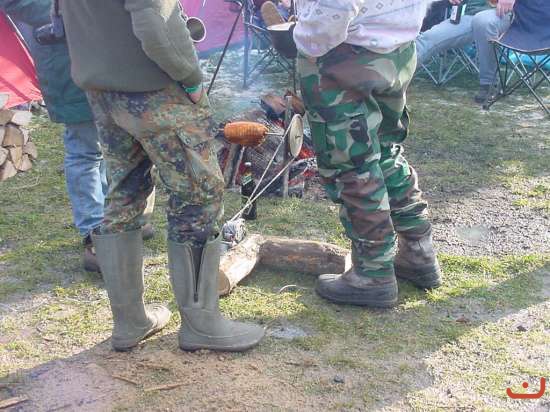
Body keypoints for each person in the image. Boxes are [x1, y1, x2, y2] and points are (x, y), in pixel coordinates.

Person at [59, 0, 264, 352]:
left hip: (101, 89)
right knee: (199, 195)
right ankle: (202, 323)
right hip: (154, 89)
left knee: (124, 191)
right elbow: (155, 23)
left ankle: (129, 321)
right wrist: (191, 78)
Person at [294, 0, 442, 308]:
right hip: (397, 47)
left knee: (351, 164)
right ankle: (418, 251)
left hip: (346, 56)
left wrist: (307, 42)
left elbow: (336, 5)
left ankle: (372, 274)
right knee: (384, 151)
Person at [0, 0, 155, 273]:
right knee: (86, 150)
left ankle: (120, 219)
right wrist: (74, 12)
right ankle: (95, 233)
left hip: (108, 54)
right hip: (65, 58)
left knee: (119, 143)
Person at [416, 0, 516, 103]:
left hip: (503, 14)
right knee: (428, 38)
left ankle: (489, 83)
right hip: (470, 16)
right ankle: (404, 70)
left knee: (483, 21)